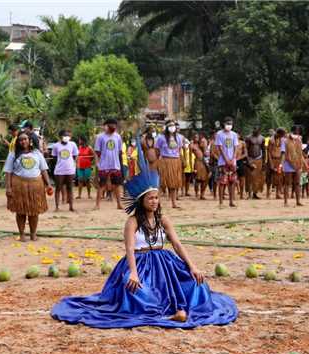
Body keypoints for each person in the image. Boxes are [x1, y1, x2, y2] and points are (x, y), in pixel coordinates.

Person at [51, 138, 238, 329]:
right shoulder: (132, 222)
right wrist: (133, 273)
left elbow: (177, 244)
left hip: (166, 264)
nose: (155, 201)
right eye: (151, 198)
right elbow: (130, 248)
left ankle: (175, 311)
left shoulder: (163, 219)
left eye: (157, 197)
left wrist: (193, 266)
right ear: (142, 200)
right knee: (133, 288)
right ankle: (167, 315)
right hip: (140, 264)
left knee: (196, 283)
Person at [4, 132, 52, 241]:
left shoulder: (37, 153)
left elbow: (43, 170)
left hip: (36, 185)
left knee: (34, 211)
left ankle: (33, 234)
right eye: (20, 139)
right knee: (20, 211)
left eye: (25, 139)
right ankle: (22, 235)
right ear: (18, 142)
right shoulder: (13, 154)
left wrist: (48, 184)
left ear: (29, 140)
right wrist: (8, 187)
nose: (23, 141)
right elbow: (8, 172)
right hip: (19, 185)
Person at [94, 118, 123, 210]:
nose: (112, 127)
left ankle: (119, 204)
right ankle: (97, 205)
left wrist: (120, 164)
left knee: (117, 186)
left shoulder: (118, 137)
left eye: (114, 125)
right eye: (110, 125)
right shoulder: (100, 137)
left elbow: (119, 151)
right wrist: (97, 163)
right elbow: (97, 152)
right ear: (105, 126)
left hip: (115, 165)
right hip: (104, 165)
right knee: (102, 185)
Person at [155, 119, 184, 208]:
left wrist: (181, 160)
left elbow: (179, 150)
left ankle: (174, 203)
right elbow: (157, 150)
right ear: (167, 127)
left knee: (174, 183)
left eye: (173, 126)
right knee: (162, 183)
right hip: (165, 161)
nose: (172, 127)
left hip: (175, 161)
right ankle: (157, 202)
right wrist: (159, 160)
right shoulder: (161, 137)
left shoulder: (179, 137)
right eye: (170, 126)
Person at [51, 129, 78, 212]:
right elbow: (54, 158)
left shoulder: (72, 144)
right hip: (59, 170)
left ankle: (71, 206)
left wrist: (71, 164)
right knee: (58, 188)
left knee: (70, 188)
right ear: (60, 137)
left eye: (68, 136)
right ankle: (57, 206)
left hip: (70, 170)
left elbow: (74, 155)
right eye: (64, 135)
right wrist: (61, 163)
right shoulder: (56, 146)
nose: (66, 137)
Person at [214, 117, 239, 207]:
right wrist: (226, 160)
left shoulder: (234, 134)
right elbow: (220, 148)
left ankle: (231, 201)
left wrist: (233, 158)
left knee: (232, 181)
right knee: (222, 182)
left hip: (233, 162)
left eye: (231, 124)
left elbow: (236, 147)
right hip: (223, 161)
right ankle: (221, 202)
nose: (229, 125)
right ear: (224, 124)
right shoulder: (219, 134)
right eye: (227, 123)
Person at [282, 126, 303, 207]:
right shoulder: (285, 140)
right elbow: (285, 154)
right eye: (296, 131)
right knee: (287, 183)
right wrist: (291, 164)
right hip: (288, 164)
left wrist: (304, 164)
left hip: (298, 164)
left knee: (297, 183)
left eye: (298, 131)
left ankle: (298, 201)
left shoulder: (299, 140)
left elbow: (301, 154)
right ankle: (286, 202)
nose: (297, 132)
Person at [245, 127, 265, 199]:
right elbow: (246, 149)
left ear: (259, 131)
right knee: (250, 177)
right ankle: (249, 193)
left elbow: (263, 150)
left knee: (257, 178)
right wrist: (248, 161)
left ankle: (255, 193)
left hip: (259, 159)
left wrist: (264, 162)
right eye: (254, 129)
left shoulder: (262, 138)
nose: (255, 131)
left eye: (257, 130)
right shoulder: (248, 138)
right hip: (250, 158)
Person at [266, 128, 285, 200]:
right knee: (269, 177)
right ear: (278, 133)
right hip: (272, 159)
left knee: (279, 177)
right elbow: (269, 153)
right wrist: (271, 163)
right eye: (281, 135)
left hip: (279, 160)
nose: (282, 136)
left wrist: (281, 163)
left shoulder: (282, 140)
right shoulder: (271, 140)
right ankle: (268, 193)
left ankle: (278, 194)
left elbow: (283, 153)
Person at [191, 133, 208, 199]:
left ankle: (202, 194)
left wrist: (203, 145)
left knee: (205, 179)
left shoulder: (201, 145)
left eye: (197, 137)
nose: (196, 138)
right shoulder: (192, 145)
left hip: (203, 162)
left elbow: (206, 154)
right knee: (197, 179)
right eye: (195, 137)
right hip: (197, 162)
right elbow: (190, 155)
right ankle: (196, 193)